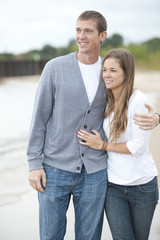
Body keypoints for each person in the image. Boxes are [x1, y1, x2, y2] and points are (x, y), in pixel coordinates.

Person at [27, 10, 159, 240]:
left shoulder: (107, 70)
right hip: (54, 169)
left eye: (88, 31)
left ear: (102, 35)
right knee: (50, 236)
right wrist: (33, 163)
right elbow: (39, 118)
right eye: (78, 30)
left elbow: (128, 101)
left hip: (95, 174)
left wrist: (156, 116)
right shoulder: (54, 68)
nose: (81, 36)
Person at [77, 48, 159, 240]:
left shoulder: (138, 100)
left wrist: (102, 145)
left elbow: (137, 148)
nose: (107, 75)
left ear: (126, 73)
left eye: (113, 70)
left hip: (142, 186)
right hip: (113, 185)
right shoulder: (105, 101)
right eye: (105, 70)